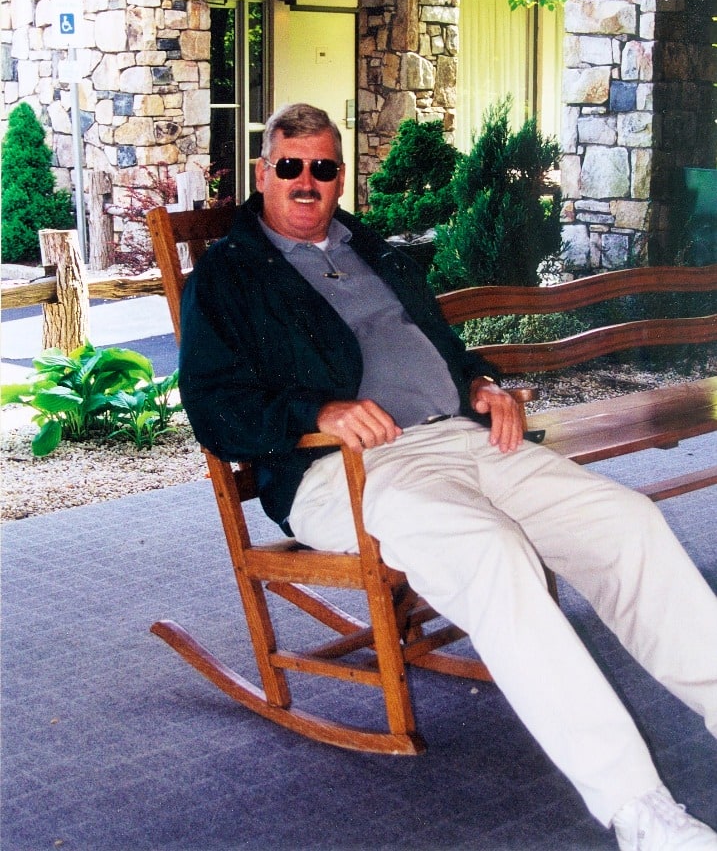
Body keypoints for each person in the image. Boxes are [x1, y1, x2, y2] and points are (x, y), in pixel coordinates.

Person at [179, 103, 717, 851]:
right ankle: (637, 808)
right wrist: (320, 410)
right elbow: (213, 408)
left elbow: (438, 349)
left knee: (627, 523)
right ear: (262, 173)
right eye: (291, 166)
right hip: (345, 469)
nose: (307, 181)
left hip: (463, 438)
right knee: (491, 555)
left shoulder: (372, 251)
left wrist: (482, 385)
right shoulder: (230, 275)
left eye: (323, 167)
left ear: (340, 177)